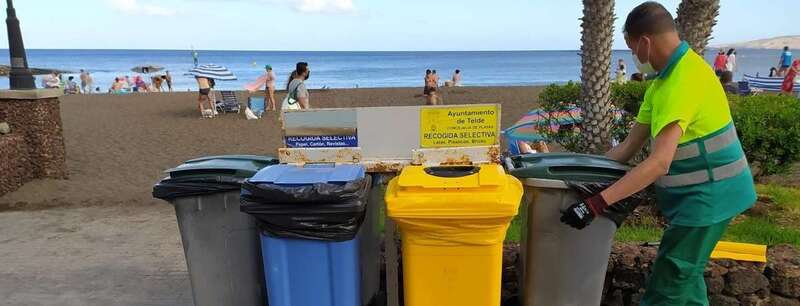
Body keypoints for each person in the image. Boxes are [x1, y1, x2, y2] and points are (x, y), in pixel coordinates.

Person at [560, 3, 756, 306]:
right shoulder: (662, 83)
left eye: (631, 48)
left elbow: (658, 163)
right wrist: (581, 169)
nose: (635, 58)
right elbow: (627, 148)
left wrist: (595, 204)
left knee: (670, 280)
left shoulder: (682, 81)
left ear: (644, 42)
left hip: (711, 198)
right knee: (685, 279)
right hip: (699, 198)